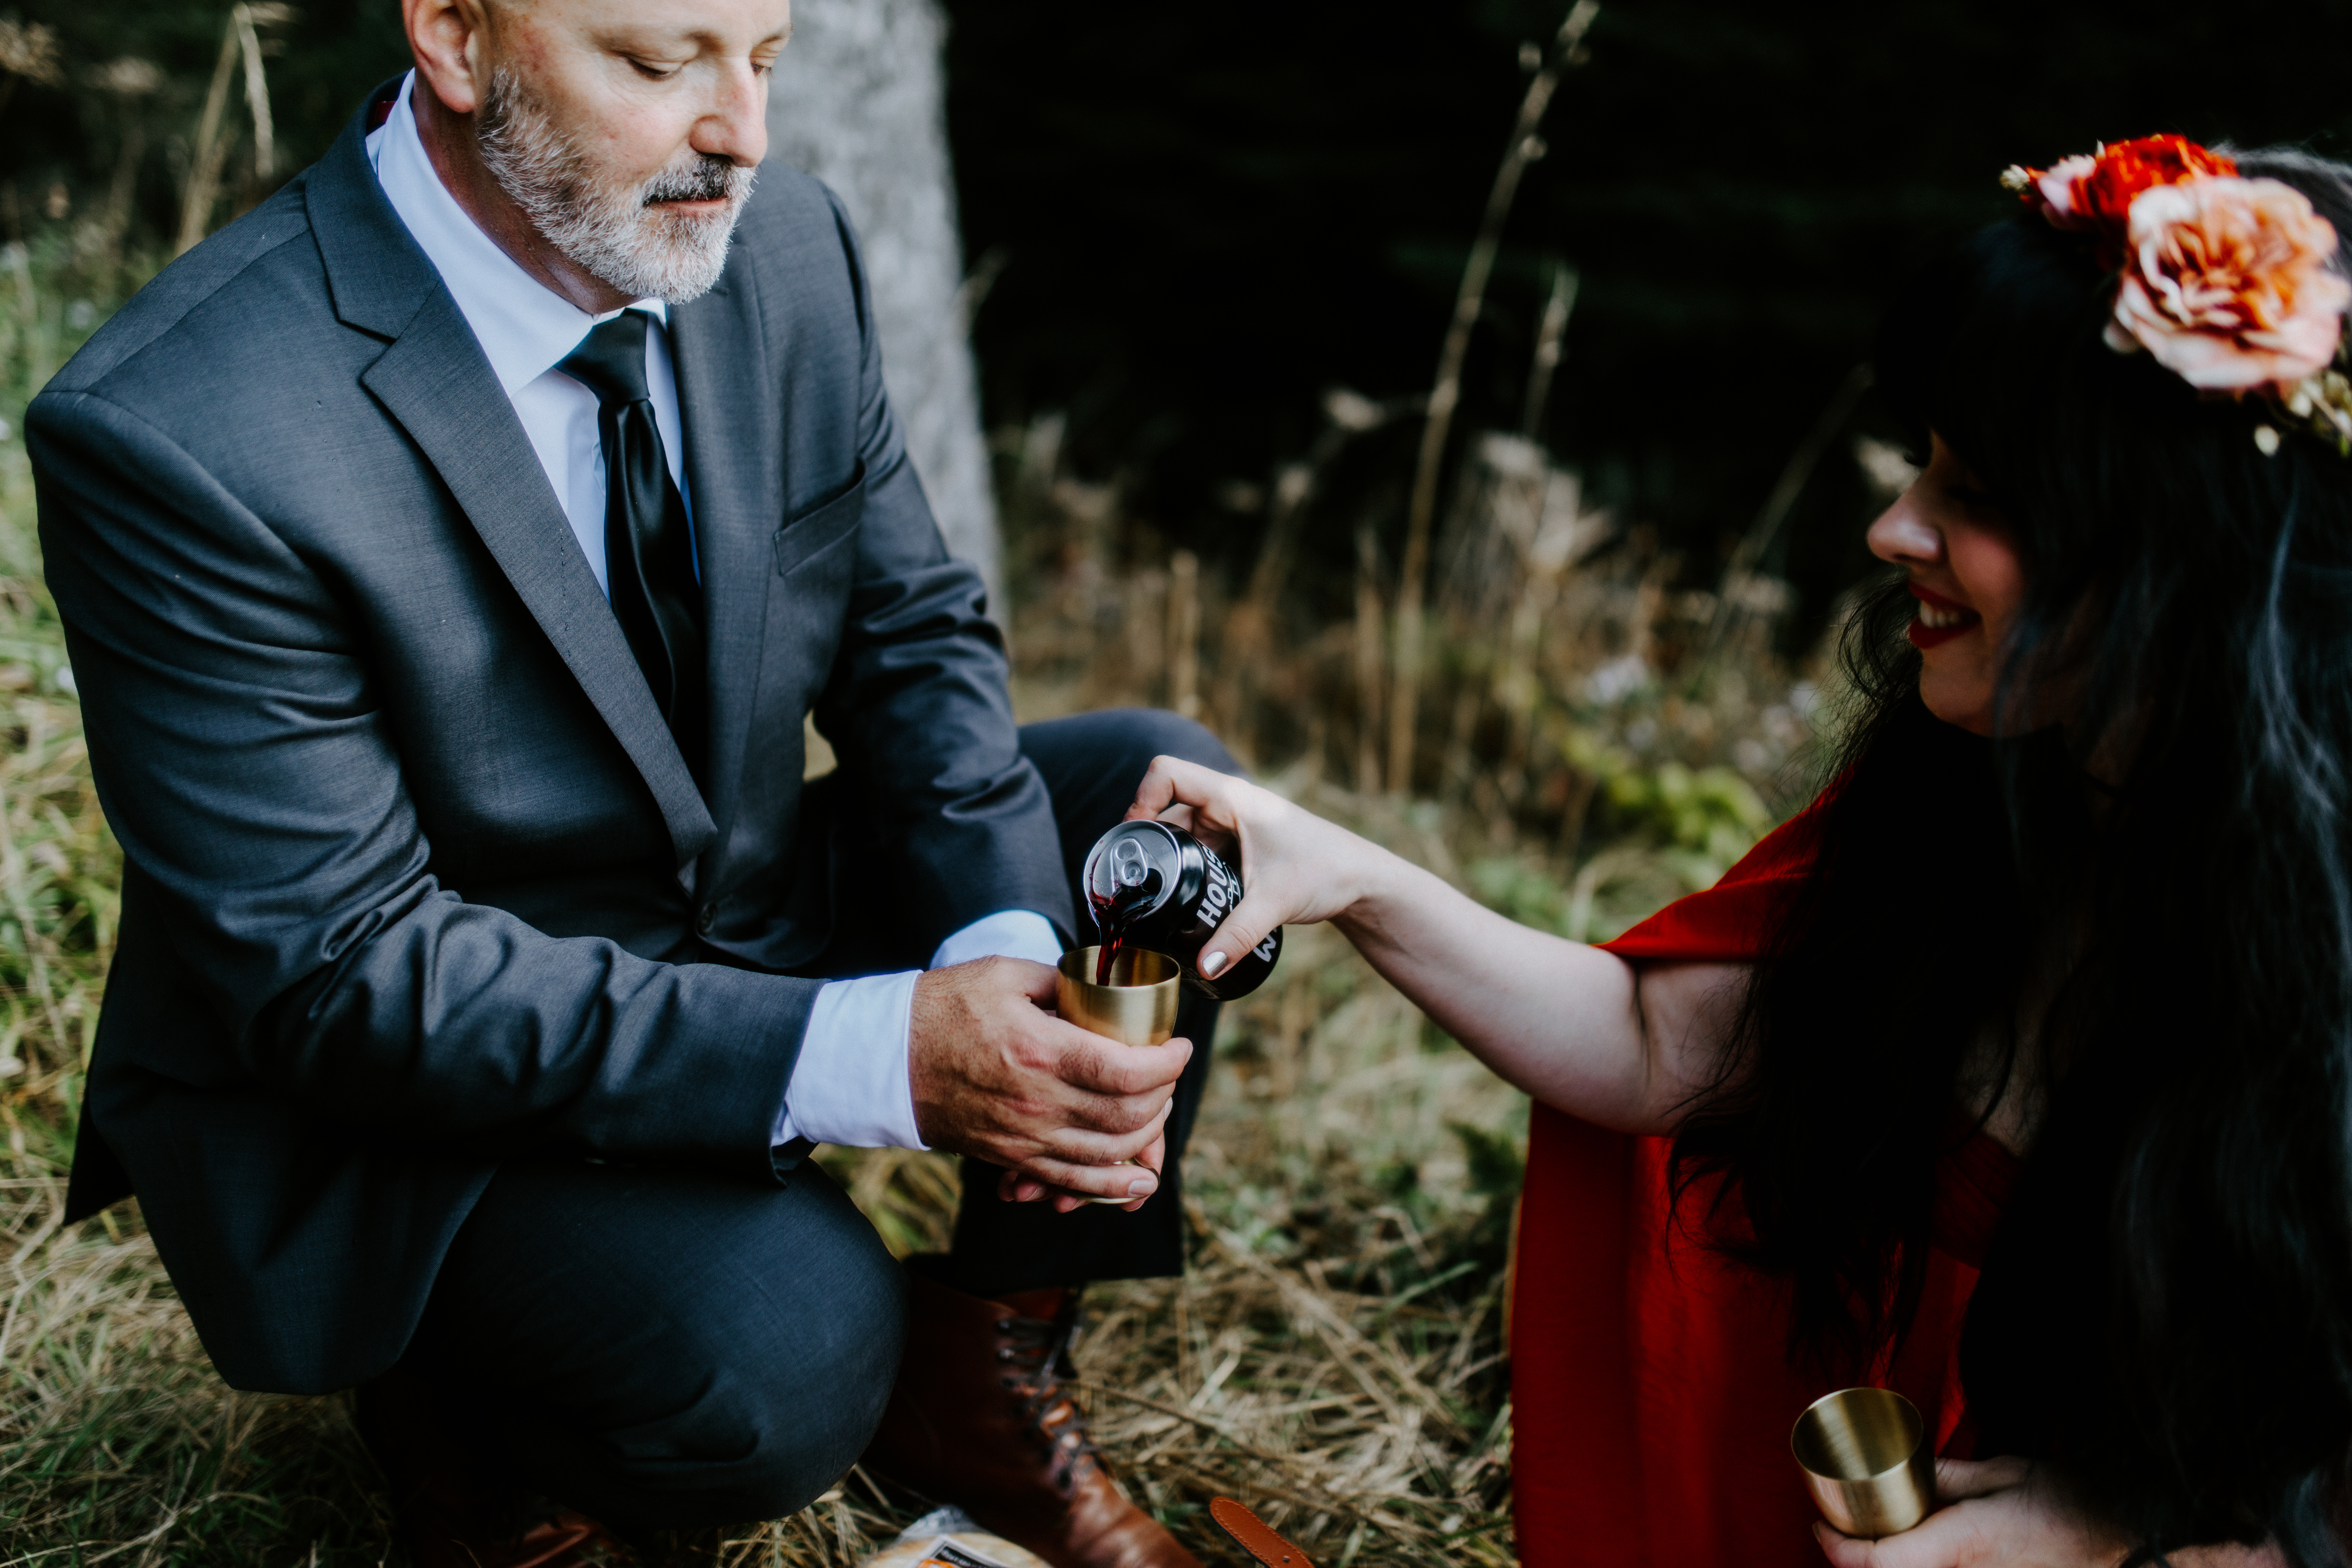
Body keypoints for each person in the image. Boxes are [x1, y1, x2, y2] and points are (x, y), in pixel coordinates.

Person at [28, 2, 1224, 1564]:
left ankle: (979, 1376)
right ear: (458, 38)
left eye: (767, 59)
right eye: (664, 67)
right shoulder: (187, 428)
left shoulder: (784, 246)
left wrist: (997, 964)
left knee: (1165, 806)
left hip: (722, 896)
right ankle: (483, 1451)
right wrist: (884, 1052)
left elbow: (913, 634)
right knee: (788, 1356)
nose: (746, 134)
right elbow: (343, 974)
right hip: (405, 1082)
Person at [1119, 136, 2352, 1567]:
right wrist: (1354, 877)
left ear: (2185, 553)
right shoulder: (1970, 801)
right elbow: (1657, 1043)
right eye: (1918, 466)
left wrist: (2103, 1536)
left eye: (1983, 497)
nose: (1897, 528)